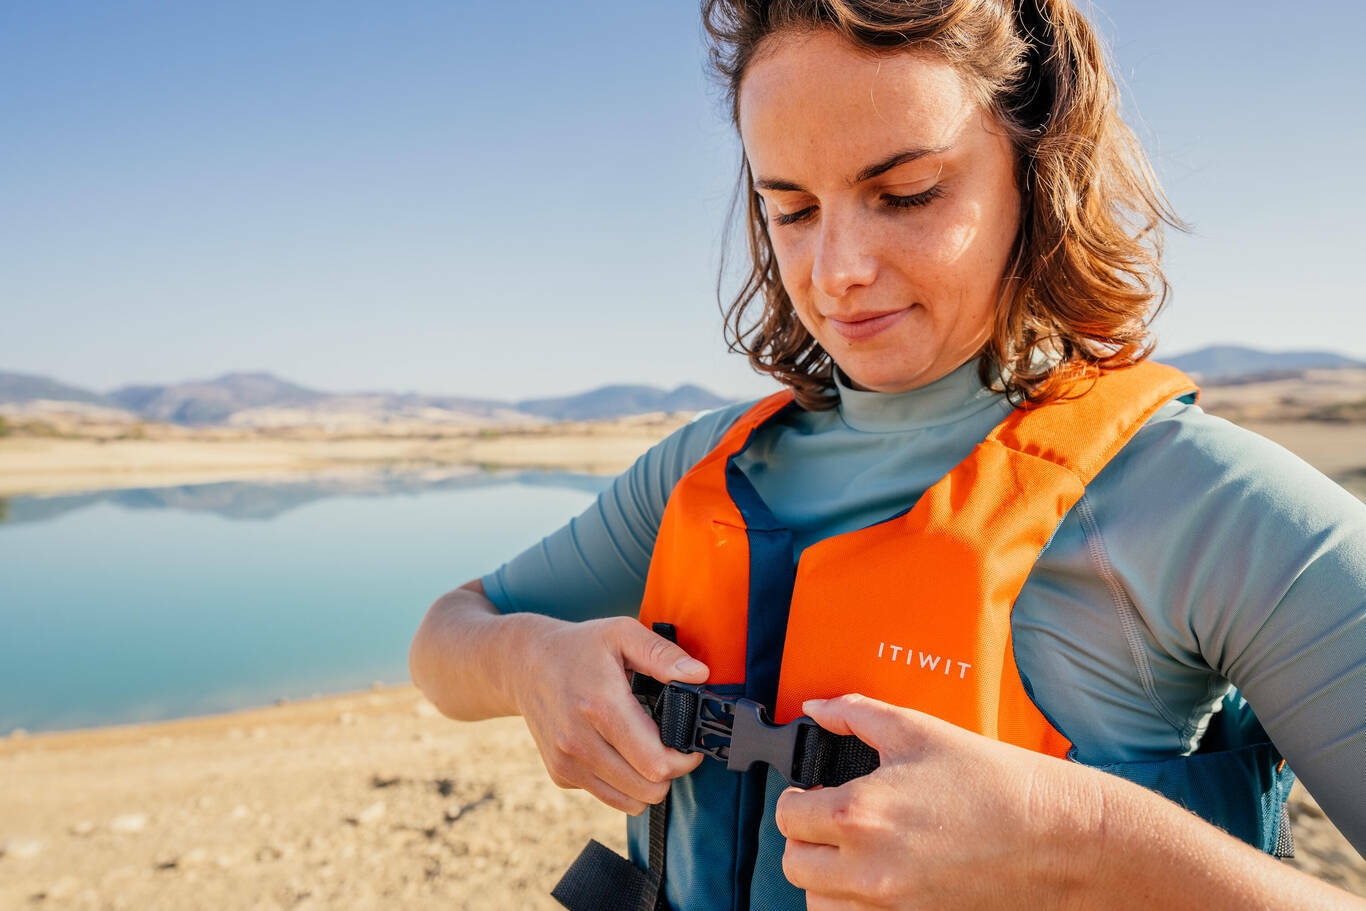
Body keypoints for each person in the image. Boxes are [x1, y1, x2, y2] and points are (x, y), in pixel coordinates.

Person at [410, 1, 1366, 908]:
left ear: (1039, 168)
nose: (835, 273)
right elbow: (447, 638)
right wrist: (530, 661)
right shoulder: (702, 471)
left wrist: (1077, 843)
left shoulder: (1208, 504)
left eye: (904, 193)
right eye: (790, 208)